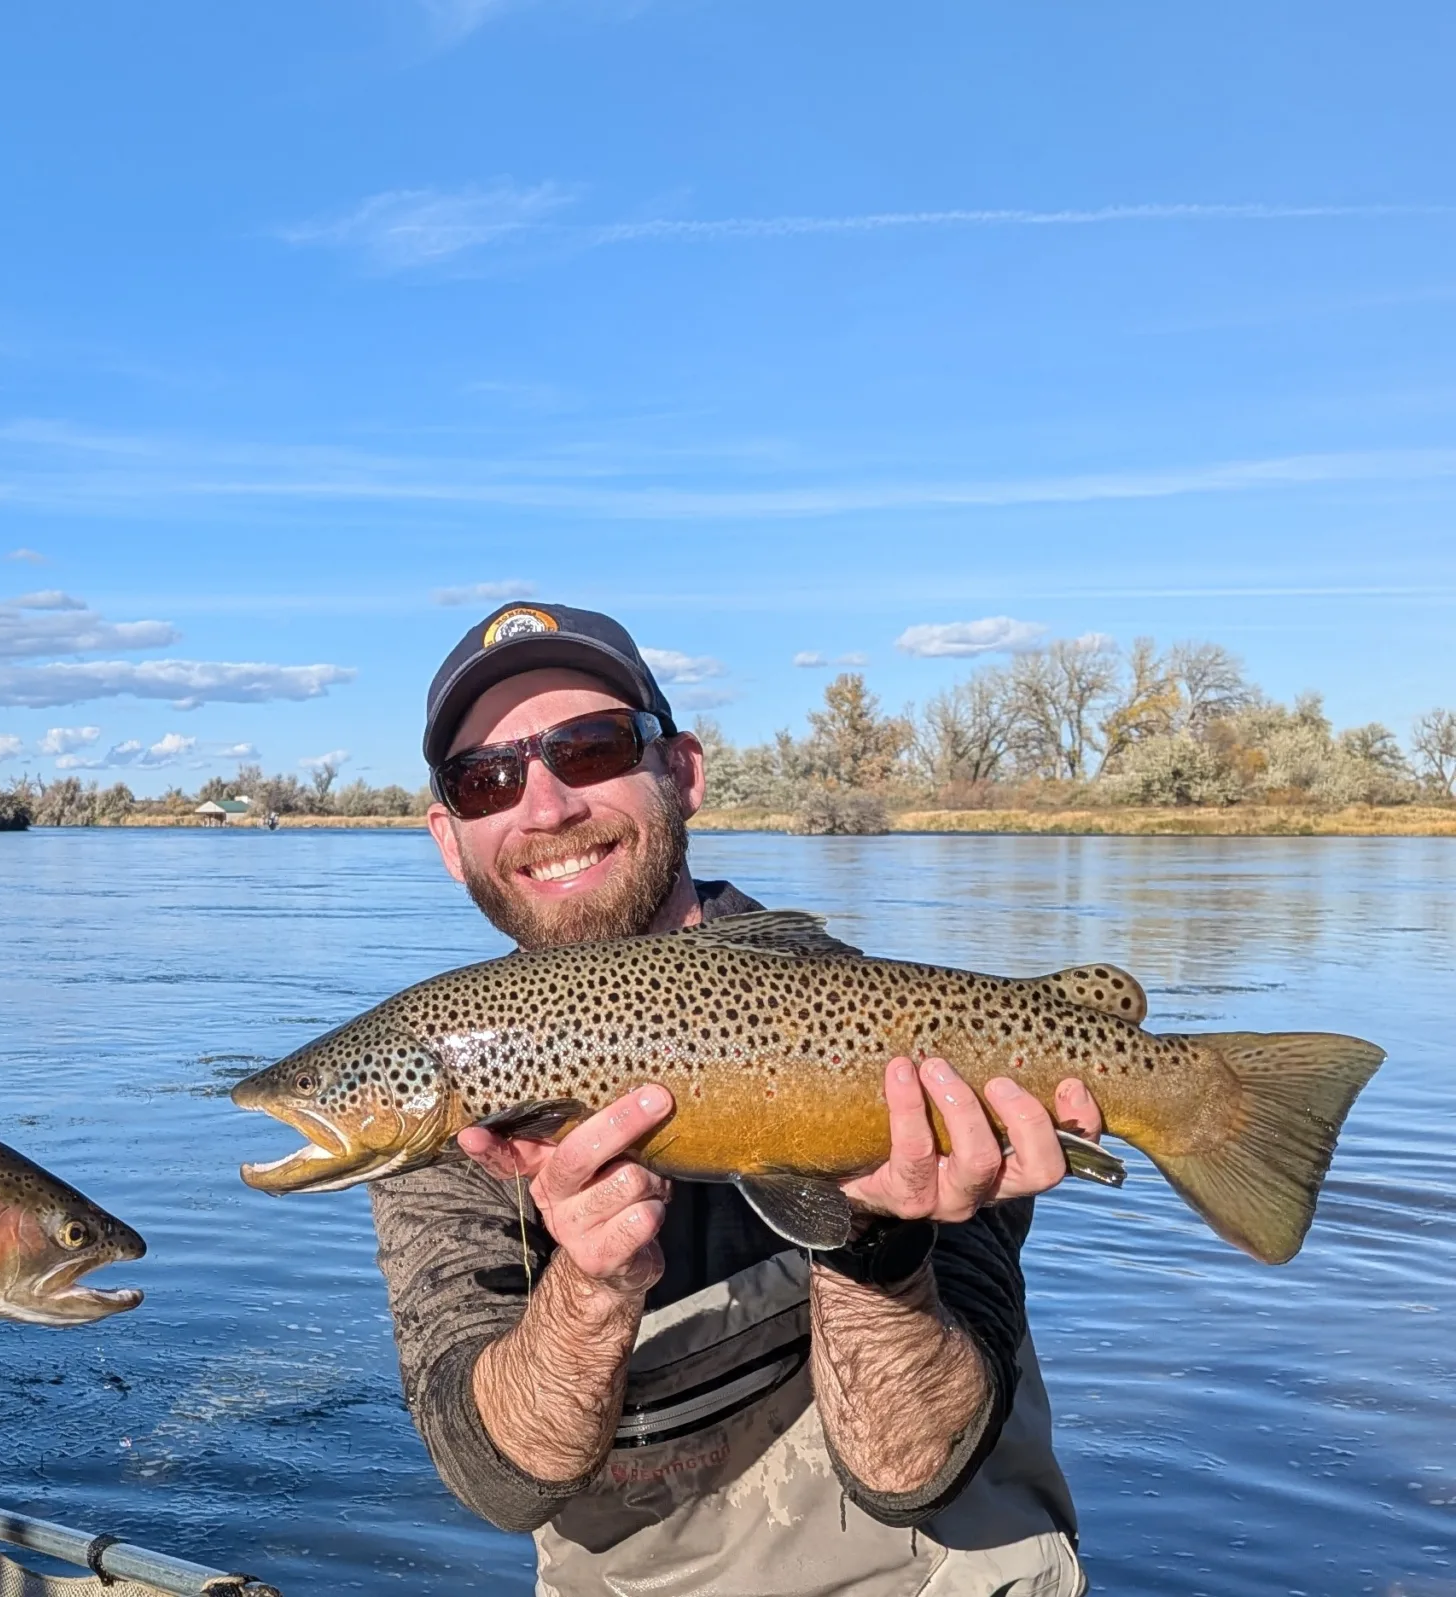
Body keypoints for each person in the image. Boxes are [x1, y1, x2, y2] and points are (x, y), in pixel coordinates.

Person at [370, 602, 1090, 1594]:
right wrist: (590, 1288)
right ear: (451, 841)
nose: (545, 809)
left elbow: (913, 1472)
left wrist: (871, 1238)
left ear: (683, 774)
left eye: (589, 749)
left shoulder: (890, 1042)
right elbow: (497, 1482)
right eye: (487, 779)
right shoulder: (461, 1091)